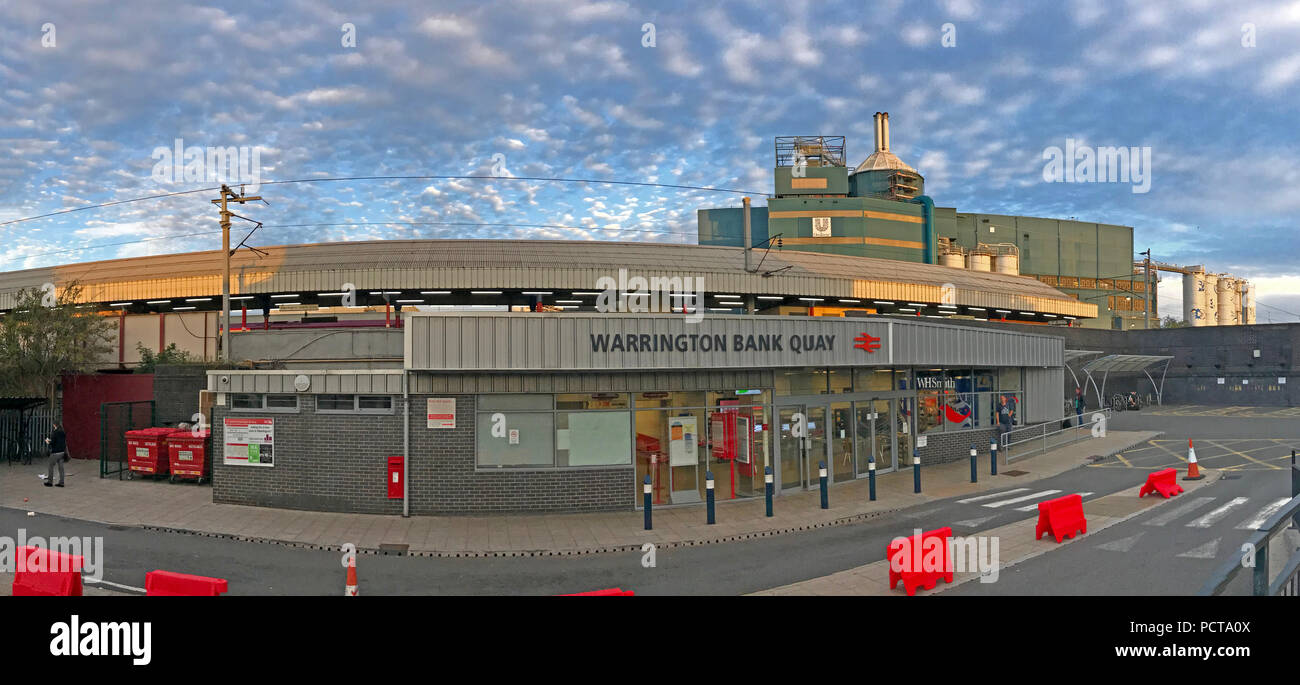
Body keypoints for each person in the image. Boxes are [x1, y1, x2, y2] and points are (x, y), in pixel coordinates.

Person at [44, 421, 67, 488]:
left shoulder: (55, 432)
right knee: (61, 468)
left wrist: (47, 441)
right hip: (62, 452)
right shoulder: (63, 432)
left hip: (55, 452)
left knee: (51, 466)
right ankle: (61, 482)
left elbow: (52, 443)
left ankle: (50, 482)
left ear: (54, 425)